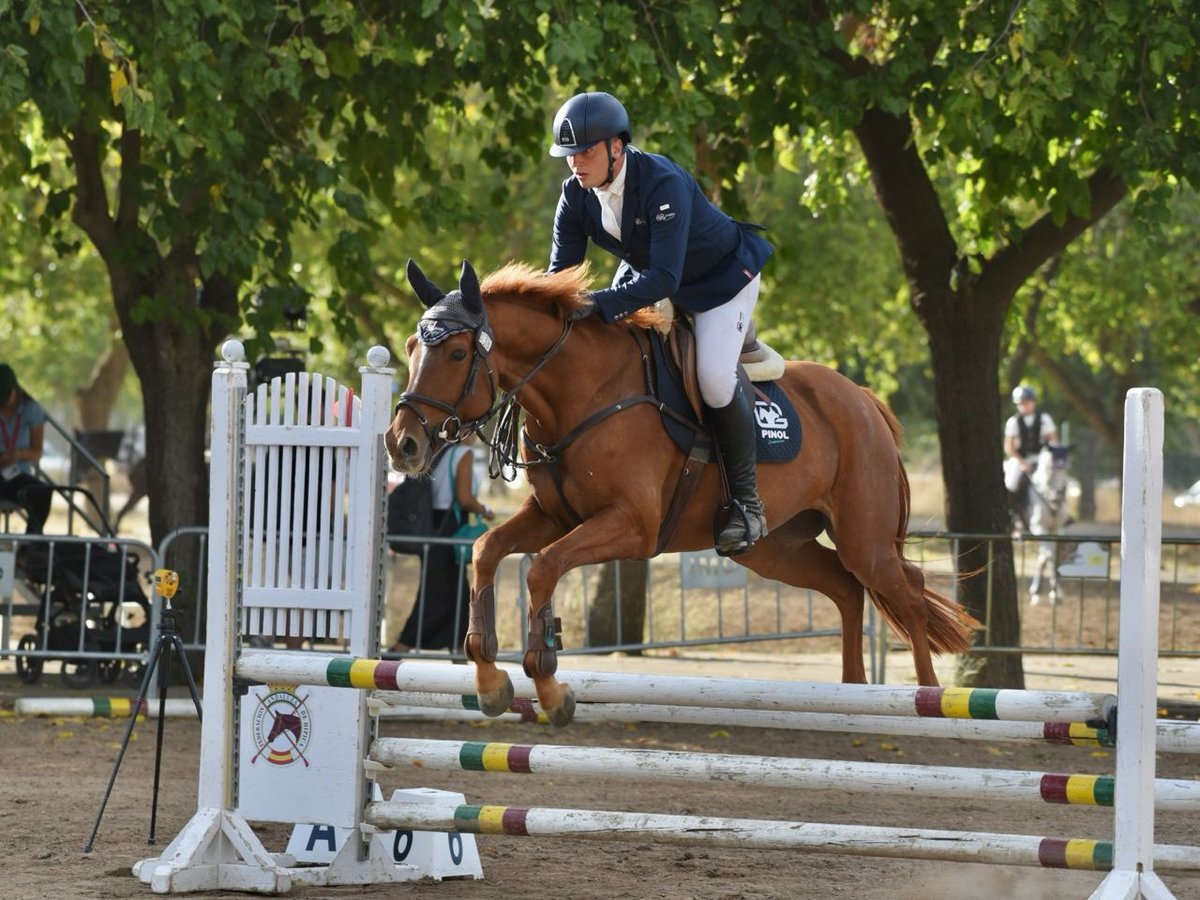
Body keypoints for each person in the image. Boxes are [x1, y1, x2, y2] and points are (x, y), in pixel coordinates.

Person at [546, 91, 774, 556]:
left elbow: (666, 277)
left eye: (585, 151)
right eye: (570, 154)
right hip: (653, 275)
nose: (575, 163)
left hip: (720, 280)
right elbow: (561, 281)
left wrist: (601, 301)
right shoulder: (575, 196)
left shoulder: (662, 182)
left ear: (616, 147)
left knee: (713, 380)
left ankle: (748, 506)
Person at [390, 437, 494, 653]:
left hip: (430, 523)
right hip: (450, 526)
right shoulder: (463, 454)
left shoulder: (436, 451)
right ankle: (403, 646)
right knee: (439, 591)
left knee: (456, 591)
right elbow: (465, 498)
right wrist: (484, 510)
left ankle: (458, 646)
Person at [0, 363, 53, 534]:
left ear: (14, 390)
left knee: (42, 492)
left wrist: (20, 453)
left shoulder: (31, 408)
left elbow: (37, 451)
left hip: (17, 473)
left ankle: (29, 547)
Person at [1003, 384, 1059, 528]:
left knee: (1057, 478)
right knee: (1011, 482)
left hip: (1040, 458)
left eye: (1027, 402)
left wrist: (1048, 458)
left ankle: (1060, 514)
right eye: (1021, 403)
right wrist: (1021, 462)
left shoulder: (1044, 419)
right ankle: (1013, 515)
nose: (1024, 406)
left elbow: (1054, 441)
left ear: (1034, 402)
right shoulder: (1013, 422)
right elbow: (1009, 447)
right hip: (1020, 458)